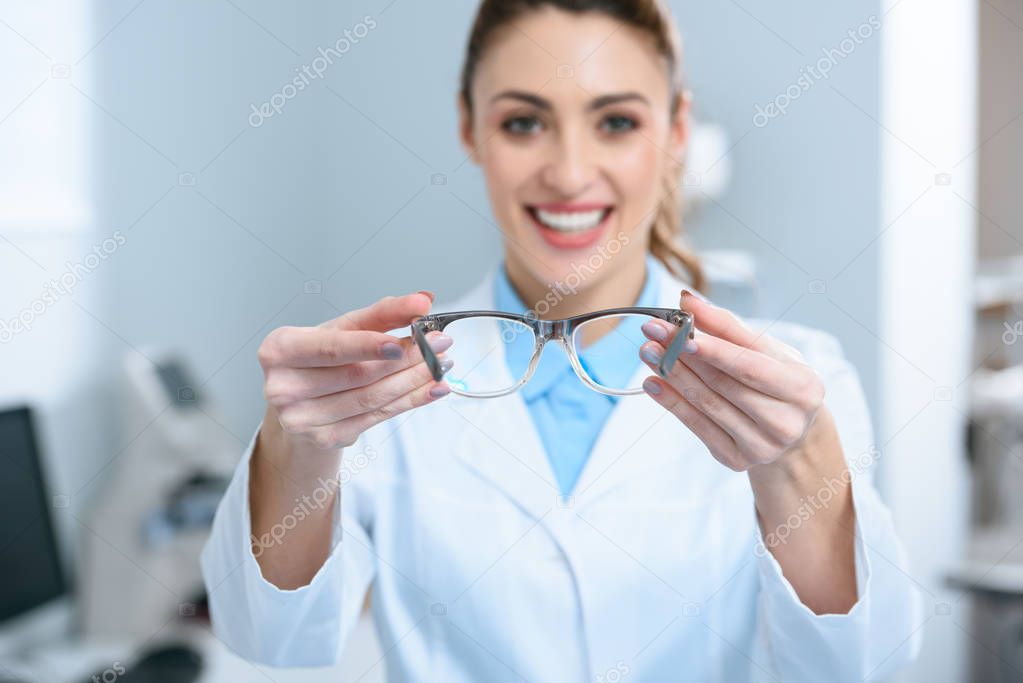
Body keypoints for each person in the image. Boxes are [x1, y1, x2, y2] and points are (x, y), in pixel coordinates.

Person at [201, 1, 921, 680]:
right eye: (523, 123)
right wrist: (297, 447)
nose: (570, 173)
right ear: (469, 128)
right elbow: (273, 636)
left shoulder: (798, 377)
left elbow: (858, 659)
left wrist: (798, 468)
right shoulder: (379, 384)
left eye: (614, 122)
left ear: (674, 132)